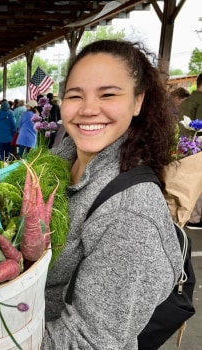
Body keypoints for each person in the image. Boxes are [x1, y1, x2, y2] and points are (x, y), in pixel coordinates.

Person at [43, 40, 183, 349]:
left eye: (108, 94)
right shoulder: (58, 162)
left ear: (137, 102)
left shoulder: (130, 214)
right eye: (75, 95)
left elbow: (90, 343)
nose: (88, 108)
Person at [180, 73, 202, 229]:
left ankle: (187, 215)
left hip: (184, 146)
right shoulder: (201, 101)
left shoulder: (186, 101)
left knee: (187, 183)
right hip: (198, 147)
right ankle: (195, 219)